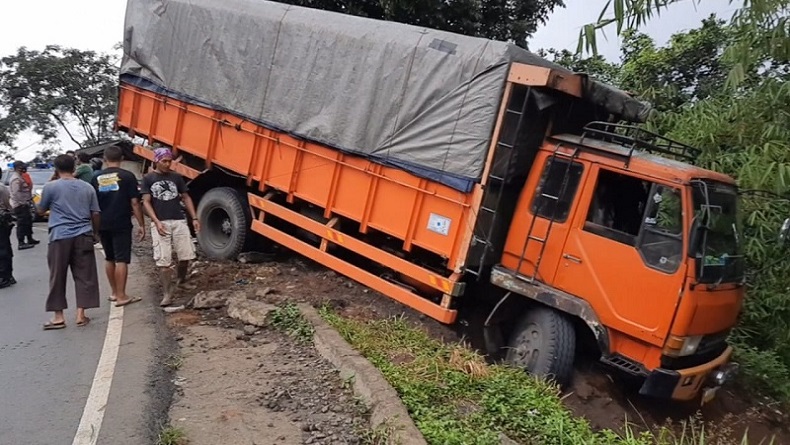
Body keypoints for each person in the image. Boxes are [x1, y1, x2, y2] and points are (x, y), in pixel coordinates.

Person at [37, 154, 101, 330]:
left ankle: (58, 317)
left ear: (56, 168)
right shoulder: (87, 187)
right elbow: (95, 213)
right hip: (83, 234)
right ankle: (81, 314)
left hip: (59, 236)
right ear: (74, 167)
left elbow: (41, 210)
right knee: (85, 275)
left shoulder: (51, 187)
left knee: (57, 275)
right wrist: (95, 233)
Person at [141, 147, 200, 306]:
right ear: (156, 161)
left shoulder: (176, 177)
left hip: (179, 220)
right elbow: (146, 201)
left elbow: (186, 197)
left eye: (169, 161)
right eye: (164, 161)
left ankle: (181, 280)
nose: (167, 164)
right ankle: (167, 293)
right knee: (164, 261)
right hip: (161, 222)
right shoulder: (148, 179)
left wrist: (194, 217)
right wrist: (156, 221)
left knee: (185, 255)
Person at [91, 145, 146, 307]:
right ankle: (122, 296)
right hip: (121, 223)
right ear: (122, 159)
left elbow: (92, 205)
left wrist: (94, 228)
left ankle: (114, 293)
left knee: (109, 258)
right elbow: (135, 203)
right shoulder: (128, 176)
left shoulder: (96, 178)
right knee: (121, 259)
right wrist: (141, 224)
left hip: (102, 222)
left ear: (104, 160)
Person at [9, 161, 38, 249]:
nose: (24, 168)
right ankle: (21, 242)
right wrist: (21, 203)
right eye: (22, 167)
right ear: (18, 168)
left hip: (25, 203)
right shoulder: (16, 179)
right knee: (22, 224)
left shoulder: (20, 177)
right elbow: (16, 193)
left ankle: (30, 238)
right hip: (20, 205)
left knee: (28, 222)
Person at [0, 166, 15, 288]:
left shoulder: (1, 188)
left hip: (1, 221)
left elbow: (7, 205)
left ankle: (5, 276)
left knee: (3, 249)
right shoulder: (3, 188)